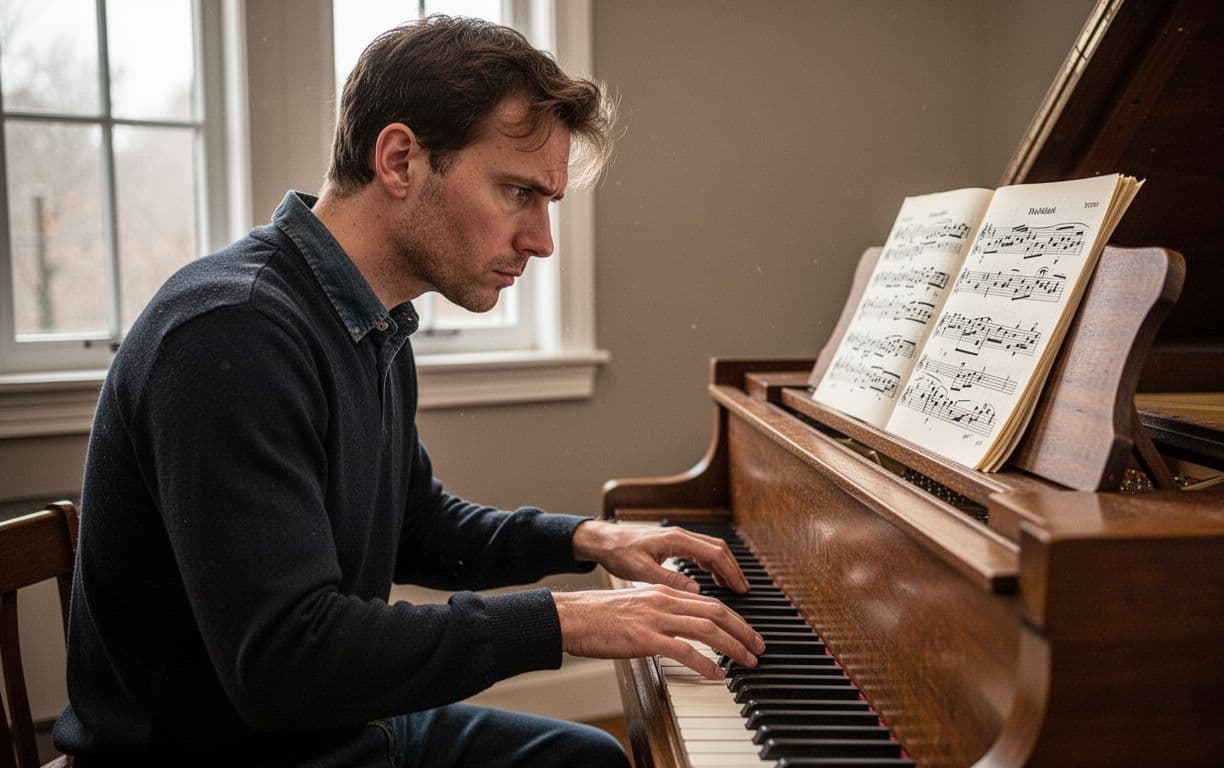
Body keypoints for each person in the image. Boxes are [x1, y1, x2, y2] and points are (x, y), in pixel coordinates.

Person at [55, 15, 764, 767]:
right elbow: (285, 664)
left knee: (591, 759)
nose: (542, 240)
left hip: (333, 733)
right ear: (399, 160)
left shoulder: (371, 321)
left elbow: (413, 525)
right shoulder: (233, 333)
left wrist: (585, 539)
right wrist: (567, 619)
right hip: (227, 754)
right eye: (518, 192)